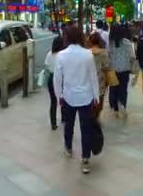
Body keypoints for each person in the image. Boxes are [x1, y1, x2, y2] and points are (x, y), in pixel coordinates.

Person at [54, 26, 100, 174]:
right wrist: (96, 96)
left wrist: (59, 95)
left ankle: (68, 147)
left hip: (68, 96)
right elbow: (93, 77)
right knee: (86, 129)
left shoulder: (61, 55)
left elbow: (57, 78)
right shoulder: (88, 54)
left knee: (69, 124)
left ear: (66, 37)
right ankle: (85, 159)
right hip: (86, 96)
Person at [108, 25, 136, 118]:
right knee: (123, 89)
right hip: (125, 69)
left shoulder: (109, 43)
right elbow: (132, 56)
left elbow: (107, 57)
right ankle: (123, 104)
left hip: (112, 70)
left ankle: (115, 109)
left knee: (113, 89)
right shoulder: (127, 42)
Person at [45, 37, 66, 130]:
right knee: (63, 98)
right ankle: (64, 118)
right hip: (61, 78)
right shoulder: (63, 55)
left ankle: (53, 123)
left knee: (53, 101)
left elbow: (46, 65)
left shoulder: (49, 53)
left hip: (51, 78)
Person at [89, 32, 110, 117]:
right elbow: (107, 66)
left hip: (89, 80)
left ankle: (92, 115)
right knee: (100, 99)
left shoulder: (86, 53)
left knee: (90, 99)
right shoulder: (104, 53)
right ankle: (96, 116)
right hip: (100, 79)